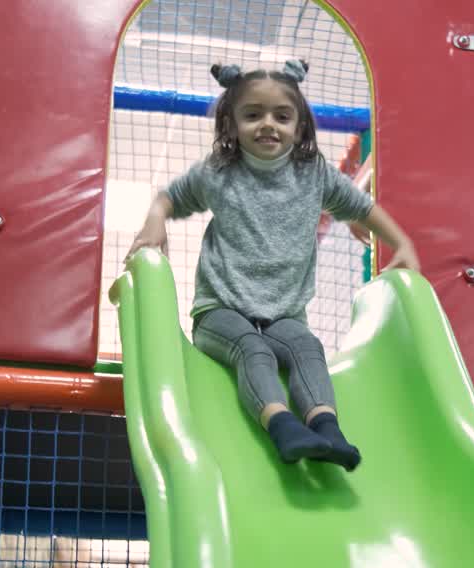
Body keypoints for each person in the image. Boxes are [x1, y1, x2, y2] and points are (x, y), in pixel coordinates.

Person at [125, 59, 420, 471]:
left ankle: (327, 428)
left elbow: (363, 206)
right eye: (252, 115)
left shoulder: (313, 174)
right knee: (253, 349)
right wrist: (155, 222)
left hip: (284, 313)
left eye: (281, 116)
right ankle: (281, 425)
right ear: (231, 125)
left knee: (306, 347)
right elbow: (168, 197)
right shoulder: (219, 173)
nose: (268, 124)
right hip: (220, 313)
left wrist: (401, 243)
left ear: (299, 127)